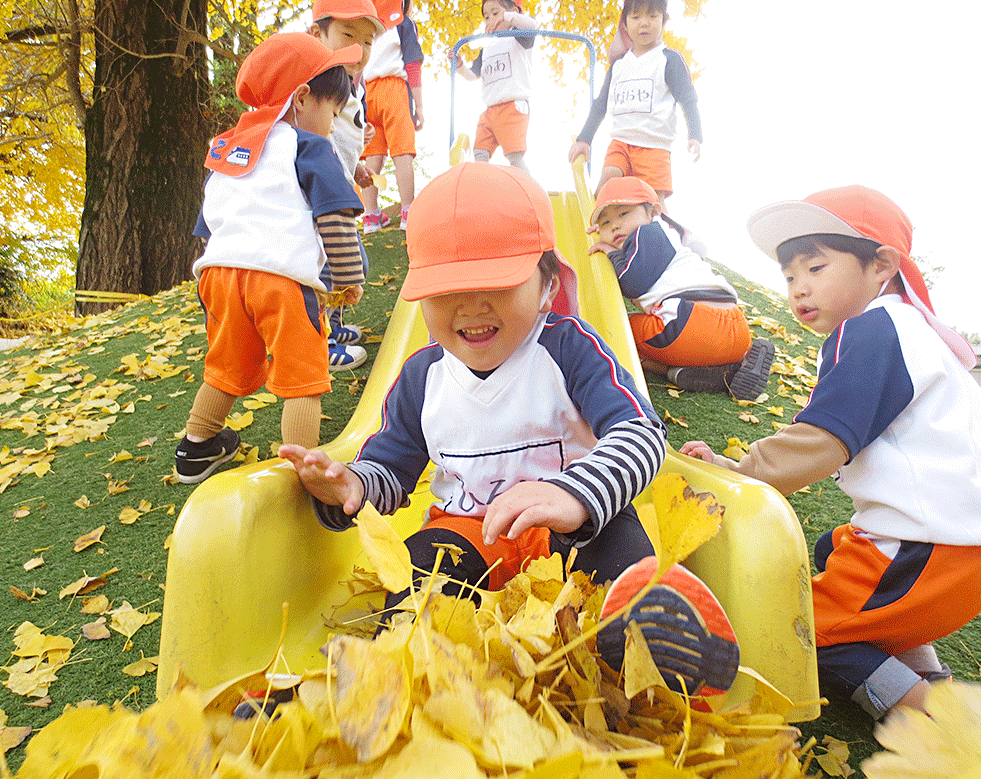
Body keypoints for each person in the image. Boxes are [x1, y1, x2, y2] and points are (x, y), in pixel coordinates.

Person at [279, 162, 740, 698]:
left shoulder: (569, 348)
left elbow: (642, 434)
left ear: (548, 284)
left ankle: (648, 656)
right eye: (446, 289)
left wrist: (576, 496)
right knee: (421, 574)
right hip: (473, 532)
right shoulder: (421, 377)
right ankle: (374, 680)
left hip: (570, 530)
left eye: (496, 284)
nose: (471, 306)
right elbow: (390, 468)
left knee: (618, 549)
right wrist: (353, 488)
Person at [681, 185, 981, 721]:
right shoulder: (907, 329)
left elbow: (824, 441)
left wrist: (742, 472)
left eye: (816, 268)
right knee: (829, 550)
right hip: (977, 542)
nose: (799, 288)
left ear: (881, 265)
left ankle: (931, 715)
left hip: (935, 545)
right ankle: (916, 660)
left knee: (795, 628)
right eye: (789, 276)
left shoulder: (873, 329)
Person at [175, 34, 367, 485]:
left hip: (218, 274)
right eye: (333, 112)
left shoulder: (227, 149)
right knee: (303, 374)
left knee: (227, 362)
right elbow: (335, 216)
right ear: (302, 99)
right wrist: (348, 276)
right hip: (279, 279)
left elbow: (208, 225)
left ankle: (197, 447)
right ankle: (301, 469)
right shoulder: (308, 147)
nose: (333, 123)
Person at [588, 176, 774, 400]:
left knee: (616, 330)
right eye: (605, 223)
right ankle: (727, 370)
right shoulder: (672, 239)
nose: (615, 224)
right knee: (649, 332)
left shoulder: (650, 232)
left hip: (691, 324)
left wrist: (611, 253)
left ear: (653, 212)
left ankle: (673, 370)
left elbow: (632, 282)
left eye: (623, 213)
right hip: (737, 331)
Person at [566, 0, 701, 206]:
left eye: (652, 16)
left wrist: (695, 134)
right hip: (621, 141)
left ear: (664, 20)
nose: (644, 23)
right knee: (609, 178)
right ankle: (594, 223)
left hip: (653, 146)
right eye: (636, 17)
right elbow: (601, 103)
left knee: (652, 202)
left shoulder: (668, 60)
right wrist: (584, 139)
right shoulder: (619, 66)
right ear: (625, 25)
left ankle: (663, 234)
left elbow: (688, 98)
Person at [311, 0, 386, 367]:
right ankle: (318, 344)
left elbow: (340, 140)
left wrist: (356, 165)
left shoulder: (354, 88)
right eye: (347, 34)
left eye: (368, 41)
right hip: (316, 201)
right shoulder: (318, 80)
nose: (360, 47)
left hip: (337, 194)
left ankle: (334, 325)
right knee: (326, 272)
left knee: (351, 268)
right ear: (317, 34)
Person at [360, 0, 423, 232]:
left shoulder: (367, 25)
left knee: (372, 154)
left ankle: (371, 215)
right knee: (402, 150)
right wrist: (419, 106)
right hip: (393, 88)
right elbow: (413, 64)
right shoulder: (404, 24)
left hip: (367, 91)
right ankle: (408, 211)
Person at [454, 0, 538, 171]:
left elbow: (532, 26)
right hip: (490, 110)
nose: (490, 19)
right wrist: (460, 67)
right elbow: (473, 75)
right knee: (480, 152)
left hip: (512, 106)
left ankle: (528, 189)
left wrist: (508, 17)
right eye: (486, 16)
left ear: (513, 12)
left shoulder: (518, 38)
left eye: (495, 13)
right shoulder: (487, 49)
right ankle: (482, 186)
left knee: (514, 155)